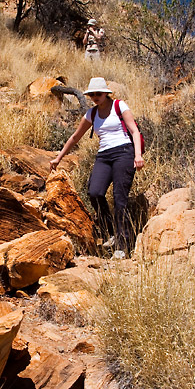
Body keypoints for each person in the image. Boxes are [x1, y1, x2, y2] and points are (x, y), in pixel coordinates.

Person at [49, 76, 144, 258]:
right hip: (104, 155)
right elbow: (75, 137)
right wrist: (58, 159)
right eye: (92, 95)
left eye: (98, 94)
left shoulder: (119, 106)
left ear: (106, 93)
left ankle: (122, 246)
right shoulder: (91, 114)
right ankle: (110, 232)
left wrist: (138, 155)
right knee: (95, 192)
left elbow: (134, 130)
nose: (95, 97)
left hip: (124, 152)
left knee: (119, 198)